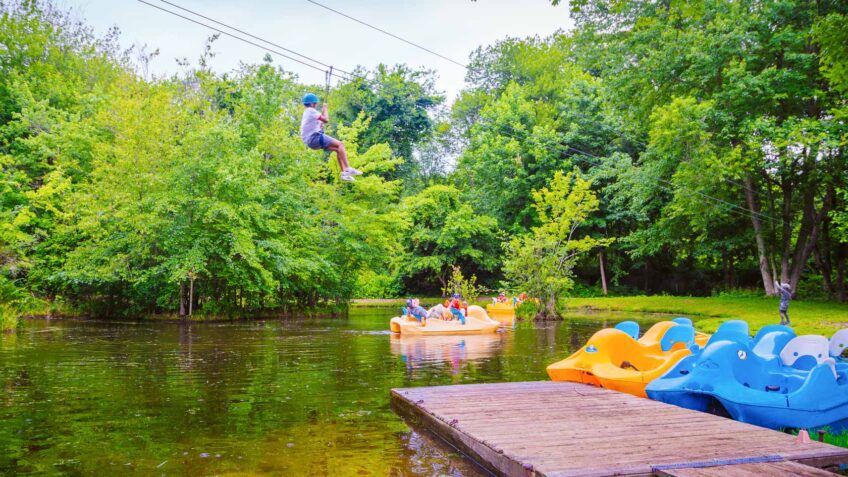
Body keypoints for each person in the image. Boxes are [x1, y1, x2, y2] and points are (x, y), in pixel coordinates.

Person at [300, 93, 361, 181]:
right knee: (341, 144)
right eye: (316, 103)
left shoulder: (307, 113)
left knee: (338, 149)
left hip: (311, 141)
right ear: (312, 103)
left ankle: (344, 174)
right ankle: (348, 168)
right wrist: (325, 109)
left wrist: (323, 113)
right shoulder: (310, 110)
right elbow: (326, 120)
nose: (317, 105)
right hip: (314, 138)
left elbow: (321, 122)